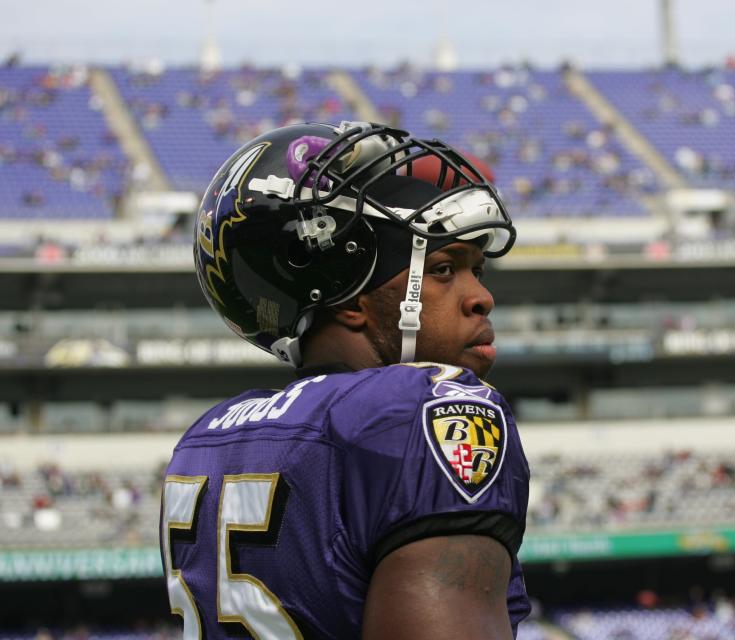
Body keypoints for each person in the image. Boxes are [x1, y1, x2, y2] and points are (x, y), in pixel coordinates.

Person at [161, 121, 530, 639]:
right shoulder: (422, 409)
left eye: (478, 272)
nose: (480, 297)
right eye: (445, 269)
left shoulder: (207, 436)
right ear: (352, 297)